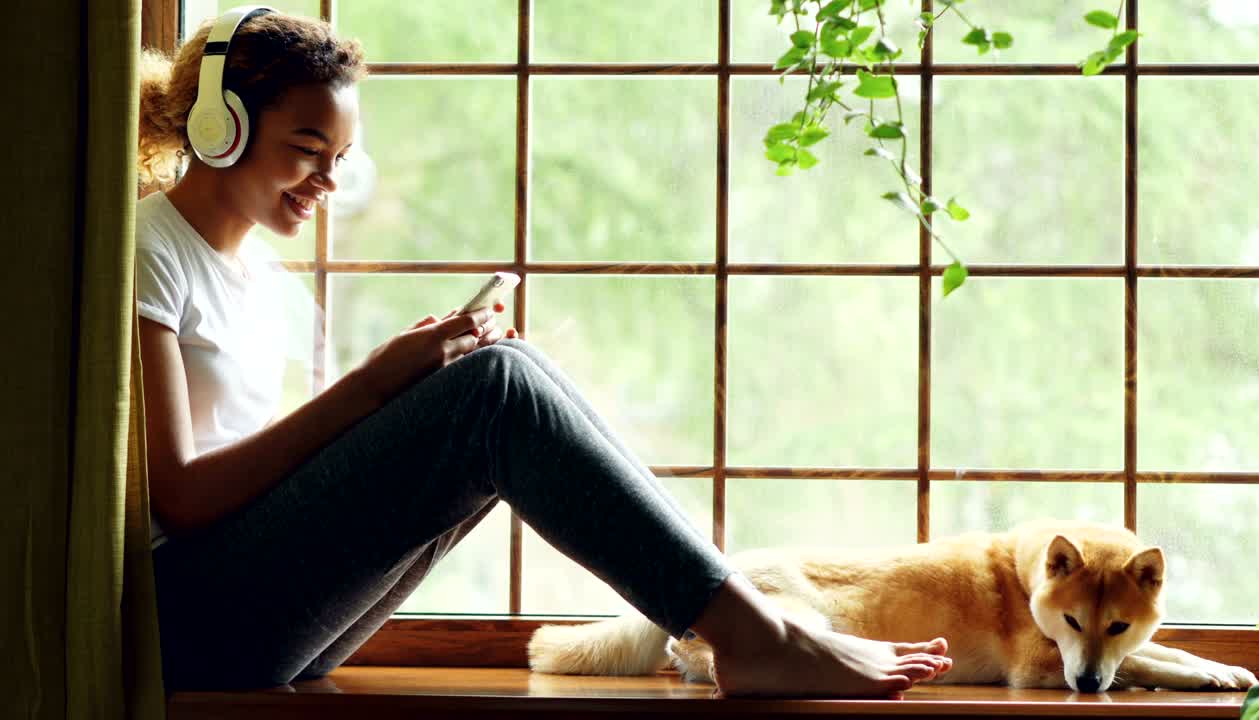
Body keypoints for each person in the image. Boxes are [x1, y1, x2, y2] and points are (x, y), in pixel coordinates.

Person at [134, 8, 953, 697]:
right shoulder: (146, 250)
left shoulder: (260, 275)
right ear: (221, 127)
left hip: (257, 609)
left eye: (341, 160)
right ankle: (752, 634)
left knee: (500, 374)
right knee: (494, 389)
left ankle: (746, 624)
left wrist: (407, 387)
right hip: (193, 620)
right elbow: (183, 499)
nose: (329, 181)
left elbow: (276, 469)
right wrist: (375, 387)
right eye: (308, 150)